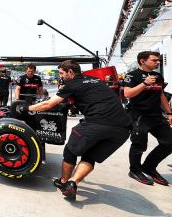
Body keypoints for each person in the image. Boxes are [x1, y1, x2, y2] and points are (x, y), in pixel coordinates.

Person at [28, 60, 131, 200]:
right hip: (123, 129)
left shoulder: (71, 84)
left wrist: (26, 108)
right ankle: (72, 183)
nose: (61, 76)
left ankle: (63, 182)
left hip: (97, 123)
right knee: (90, 156)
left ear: (70, 72)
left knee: (70, 151)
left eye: (62, 73)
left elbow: (48, 104)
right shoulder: (95, 80)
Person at [123, 51, 172, 186]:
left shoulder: (158, 76)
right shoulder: (132, 75)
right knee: (139, 144)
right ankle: (134, 170)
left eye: (158, 60)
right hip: (139, 115)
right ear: (143, 61)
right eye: (154, 60)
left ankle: (149, 167)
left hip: (157, 116)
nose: (158, 62)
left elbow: (161, 96)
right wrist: (144, 84)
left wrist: (170, 113)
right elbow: (127, 94)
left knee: (169, 143)